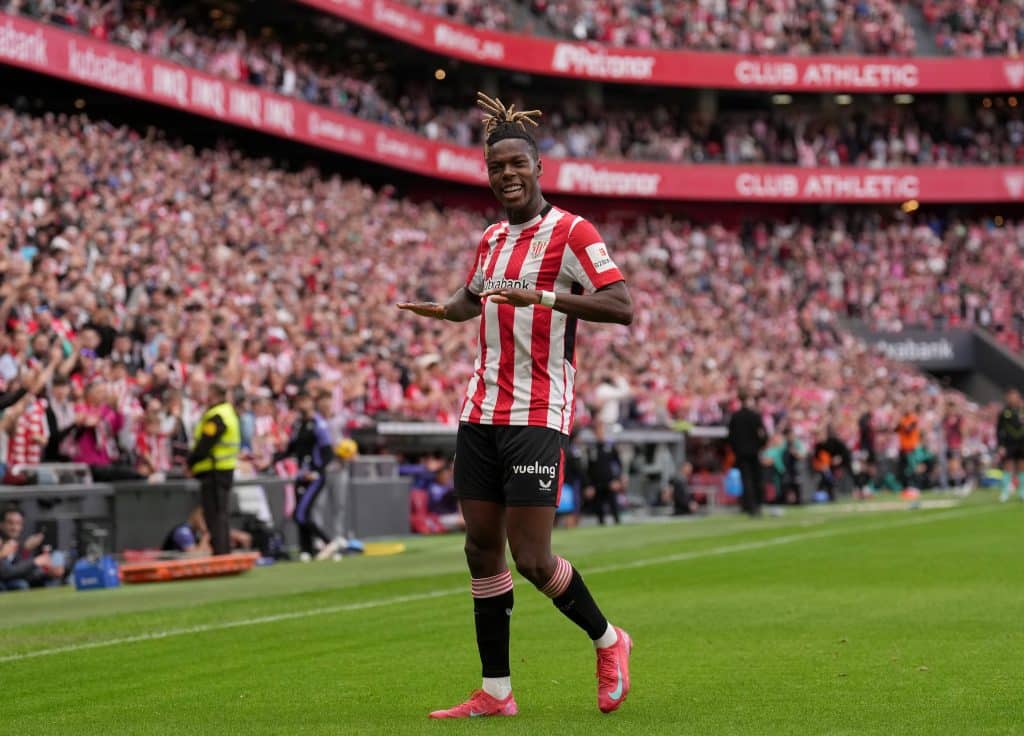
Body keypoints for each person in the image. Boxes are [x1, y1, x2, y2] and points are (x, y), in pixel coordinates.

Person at [398, 92, 635, 719]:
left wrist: (549, 299)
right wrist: (443, 309)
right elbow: (474, 296)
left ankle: (609, 640)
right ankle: (497, 692)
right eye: (495, 166)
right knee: (480, 549)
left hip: (537, 411)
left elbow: (621, 306)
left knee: (531, 557)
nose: (506, 174)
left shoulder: (573, 232)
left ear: (537, 169)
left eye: (516, 164)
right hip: (480, 409)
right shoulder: (490, 239)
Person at [277, 391, 335, 559]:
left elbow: (327, 452)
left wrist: (318, 471)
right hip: (301, 474)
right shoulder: (298, 424)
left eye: (304, 401)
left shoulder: (318, 424)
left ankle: (328, 541)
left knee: (301, 513)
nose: (301, 405)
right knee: (301, 514)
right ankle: (306, 549)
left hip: (314, 476)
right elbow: (292, 449)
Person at [187, 381, 240, 555]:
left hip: (215, 470)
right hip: (225, 468)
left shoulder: (217, 416)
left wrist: (191, 463)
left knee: (215, 514)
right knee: (220, 514)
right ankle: (222, 551)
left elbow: (205, 443)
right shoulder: (228, 412)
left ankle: (221, 552)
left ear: (214, 395)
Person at [0, 507, 64, 590]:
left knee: (56, 562)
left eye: (18, 523)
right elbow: (6, 573)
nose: (15, 528)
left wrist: (48, 572)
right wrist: (36, 561)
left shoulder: (16, 545)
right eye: (10, 523)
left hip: (15, 579)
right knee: (20, 584)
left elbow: (22, 570)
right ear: (1, 524)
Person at [727, 391, 767, 516]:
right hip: (753, 452)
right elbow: (763, 434)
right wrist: (759, 446)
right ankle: (757, 504)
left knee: (746, 479)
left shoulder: (735, 416)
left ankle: (748, 505)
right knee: (756, 478)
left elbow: (731, 436)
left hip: (741, 452)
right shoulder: (754, 416)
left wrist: (736, 449)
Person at [584, 422, 626, 525]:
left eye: (601, 431)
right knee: (599, 509)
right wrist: (589, 485)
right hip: (596, 483)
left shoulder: (610, 447)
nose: (600, 433)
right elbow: (588, 469)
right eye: (597, 431)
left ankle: (618, 524)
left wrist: (617, 479)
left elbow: (618, 464)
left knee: (614, 506)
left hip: (610, 482)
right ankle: (601, 525)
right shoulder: (591, 449)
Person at [995, 389, 1024, 503]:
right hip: (1009, 443)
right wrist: (1001, 445)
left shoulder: (1022, 410)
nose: (1012, 398)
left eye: (1014, 396)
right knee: (1008, 467)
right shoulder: (1004, 412)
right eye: (1010, 396)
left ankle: (1022, 491)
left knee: (1022, 467)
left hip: (1022, 443)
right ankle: (1005, 492)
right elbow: (999, 430)